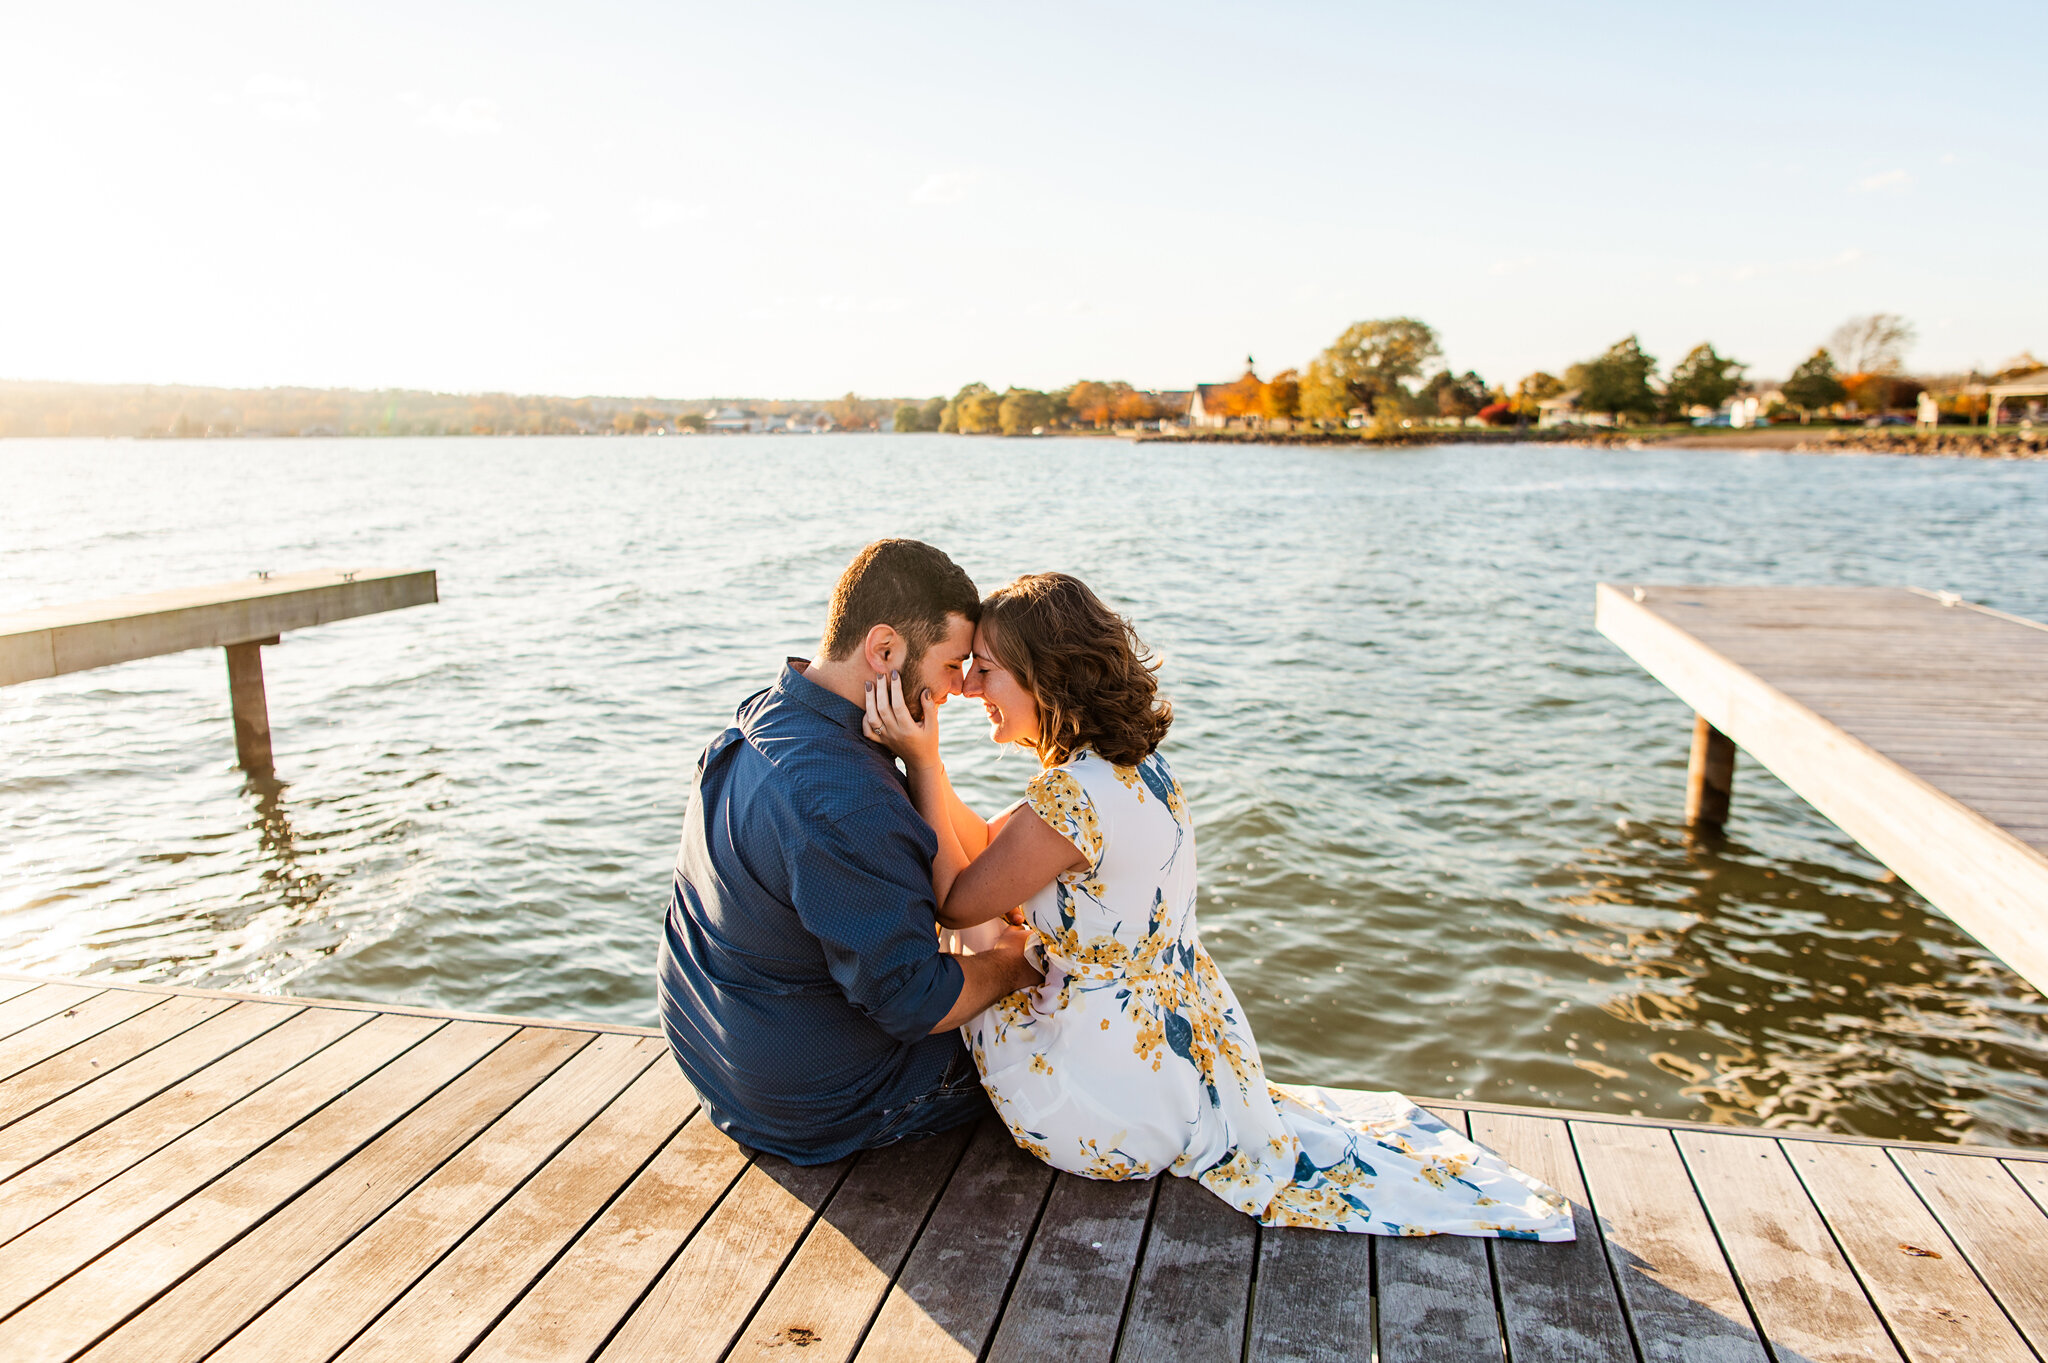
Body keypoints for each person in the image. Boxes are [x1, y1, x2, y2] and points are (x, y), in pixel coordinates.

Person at [864, 572, 1573, 1238]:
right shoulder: (1129, 765)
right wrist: (930, 759)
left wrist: (919, 763)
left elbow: (958, 901)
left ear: (1044, 676)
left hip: (1101, 1098)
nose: (968, 686)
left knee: (975, 935)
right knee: (1001, 919)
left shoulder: (1068, 797)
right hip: (1181, 1059)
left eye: (985, 667)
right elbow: (990, 846)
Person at [657, 539, 1042, 1164]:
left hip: (710, 1048)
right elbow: (915, 1001)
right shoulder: (847, 799)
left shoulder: (773, 712)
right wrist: (1014, 962)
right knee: (1056, 1026)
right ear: (884, 650)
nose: (959, 689)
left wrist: (925, 765)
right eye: (951, 665)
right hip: (820, 1101)